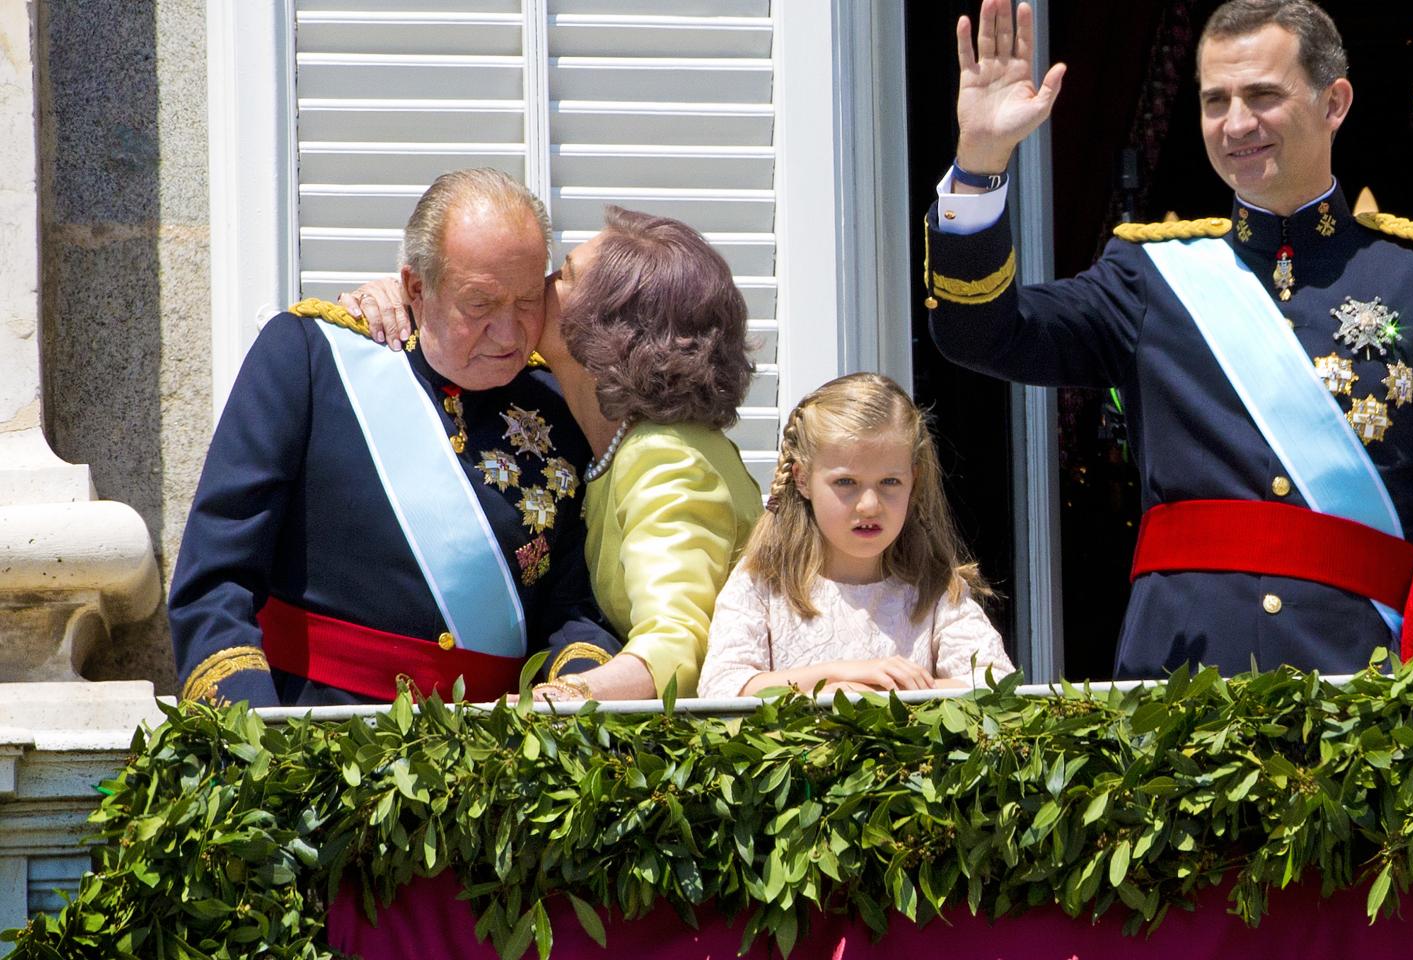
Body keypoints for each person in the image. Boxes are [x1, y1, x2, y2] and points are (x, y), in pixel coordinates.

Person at [924, 0, 1413, 676]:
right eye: (1216, 101)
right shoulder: (1149, 276)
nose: (1237, 124)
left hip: (1366, 685)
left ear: (1335, 102)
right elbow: (981, 332)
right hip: (1181, 677)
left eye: (1263, 96)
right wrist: (980, 164)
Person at [170, 169, 619, 707]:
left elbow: (575, 606)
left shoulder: (557, 403)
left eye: (527, 302)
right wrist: (252, 735)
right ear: (415, 287)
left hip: (493, 759)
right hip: (312, 733)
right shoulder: (312, 359)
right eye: (480, 305)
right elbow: (216, 580)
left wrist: (570, 703)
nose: (509, 333)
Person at [340, 207, 763, 700]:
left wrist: (557, 701)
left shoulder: (664, 457)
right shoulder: (621, 442)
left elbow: (674, 646)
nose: (541, 283)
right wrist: (409, 297)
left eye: (564, 274)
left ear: (612, 327)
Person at [698, 373, 1016, 698]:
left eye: (889, 482)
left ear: (913, 480)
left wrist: (883, 694)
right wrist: (834, 679)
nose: (869, 505)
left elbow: (998, 686)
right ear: (803, 479)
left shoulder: (934, 590)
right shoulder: (763, 583)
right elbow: (720, 689)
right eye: (846, 482)